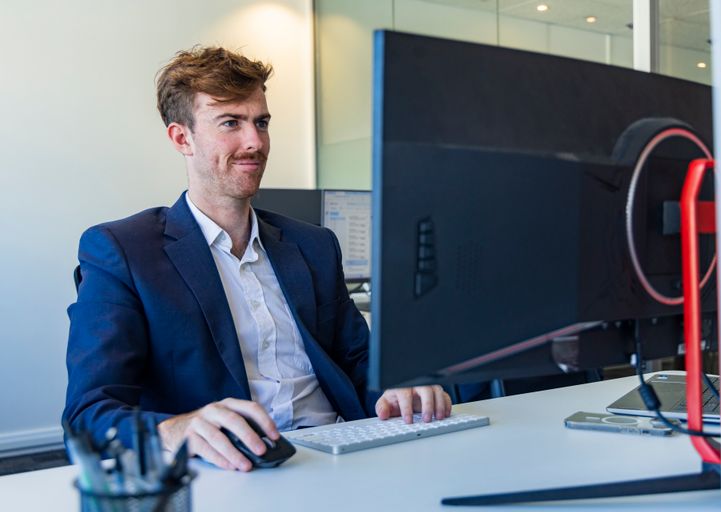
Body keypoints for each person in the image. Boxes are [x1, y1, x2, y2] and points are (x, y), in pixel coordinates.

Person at [63, 46, 451, 472]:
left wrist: (396, 388)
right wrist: (177, 430)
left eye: (261, 122)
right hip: (237, 470)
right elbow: (89, 414)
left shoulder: (313, 245)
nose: (255, 142)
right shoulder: (123, 251)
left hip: (341, 455)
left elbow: (360, 361)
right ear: (182, 138)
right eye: (231, 123)